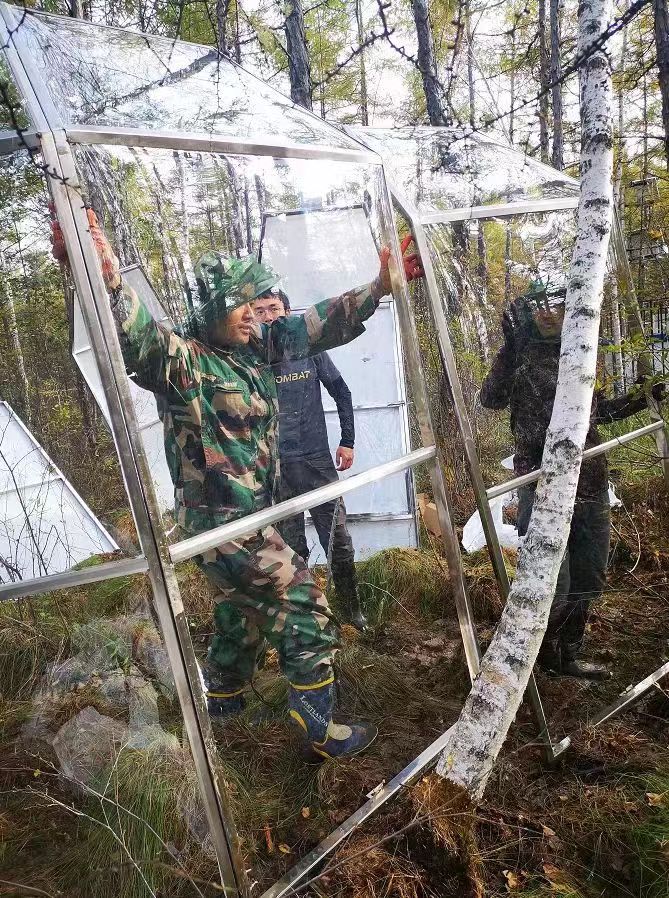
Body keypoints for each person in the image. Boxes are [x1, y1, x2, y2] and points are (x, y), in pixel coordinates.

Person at [52, 207, 418, 760]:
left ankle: (222, 705)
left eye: (258, 303)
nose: (254, 315)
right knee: (305, 603)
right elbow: (139, 338)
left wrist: (379, 286)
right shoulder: (186, 363)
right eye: (241, 304)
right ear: (215, 308)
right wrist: (101, 276)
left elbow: (316, 323)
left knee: (239, 615)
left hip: (247, 520)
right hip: (225, 528)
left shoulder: (256, 350)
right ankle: (317, 725)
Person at [480, 279, 665, 679]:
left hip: (590, 480)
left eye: (555, 304)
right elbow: (489, 398)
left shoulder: (581, 349)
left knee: (588, 573)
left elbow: (595, 413)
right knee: (552, 577)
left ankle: (568, 655)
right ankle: (533, 656)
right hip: (540, 482)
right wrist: (510, 348)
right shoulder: (522, 352)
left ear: (570, 309)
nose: (547, 312)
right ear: (527, 311)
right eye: (538, 306)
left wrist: (642, 397)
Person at [252, 288, 367, 631]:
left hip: (317, 464)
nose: (269, 317)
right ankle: (309, 622)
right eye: (260, 311)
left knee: (339, 543)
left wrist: (348, 441)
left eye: (274, 308)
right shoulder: (250, 359)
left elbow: (341, 391)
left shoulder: (308, 348)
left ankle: (351, 613)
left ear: (287, 311)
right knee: (292, 552)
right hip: (278, 470)